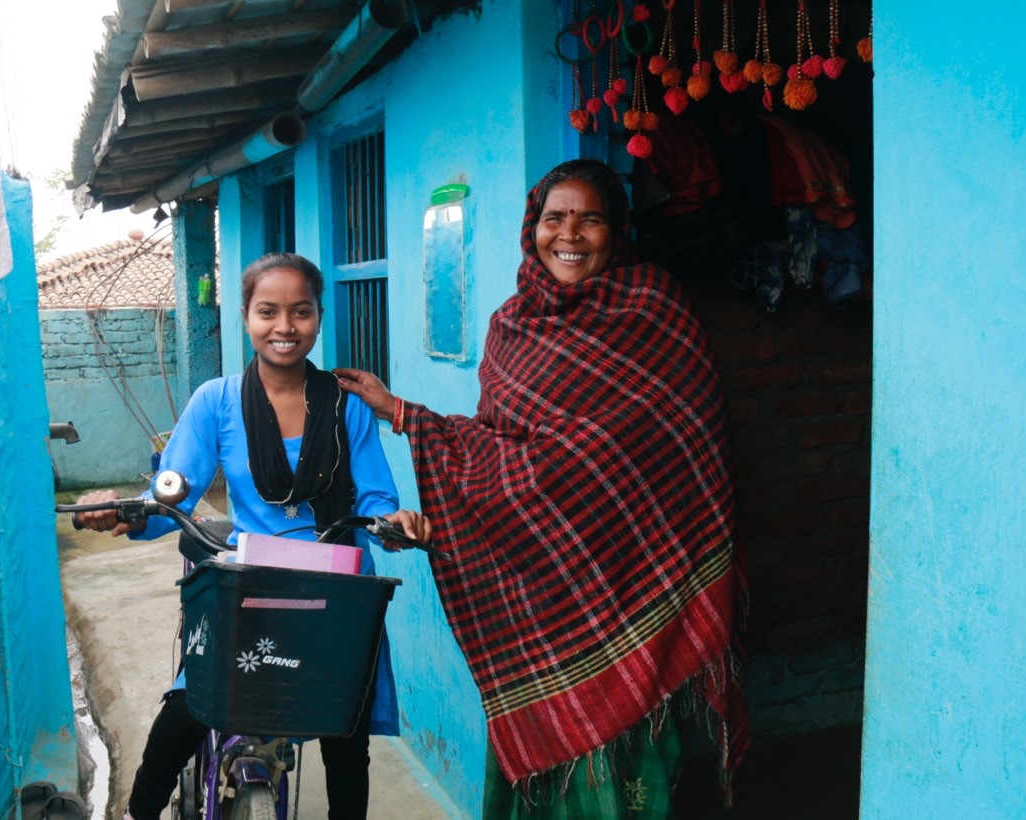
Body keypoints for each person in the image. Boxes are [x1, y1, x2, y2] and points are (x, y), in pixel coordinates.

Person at [336, 159, 747, 817]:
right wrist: (402, 413)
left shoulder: (656, 309)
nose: (571, 235)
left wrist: (411, 417)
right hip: (549, 595)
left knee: (640, 784)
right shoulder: (510, 327)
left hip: (644, 583)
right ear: (534, 228)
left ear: (615, 230)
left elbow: (679, 449)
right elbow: (504, 457)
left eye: (591, 219)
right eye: (556, 218)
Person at [74, 252, 431, 820]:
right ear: (245, 316)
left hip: (333, 588)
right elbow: (173, 496)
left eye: (300, 312)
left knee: (345, 737)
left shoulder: (348, 406)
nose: (284, 327)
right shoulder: (216, 402)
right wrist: (126, 513)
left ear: (318, 316)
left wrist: (394, 525)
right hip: (250, 585)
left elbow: (374, 498)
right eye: (268, 311)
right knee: (189, 708)